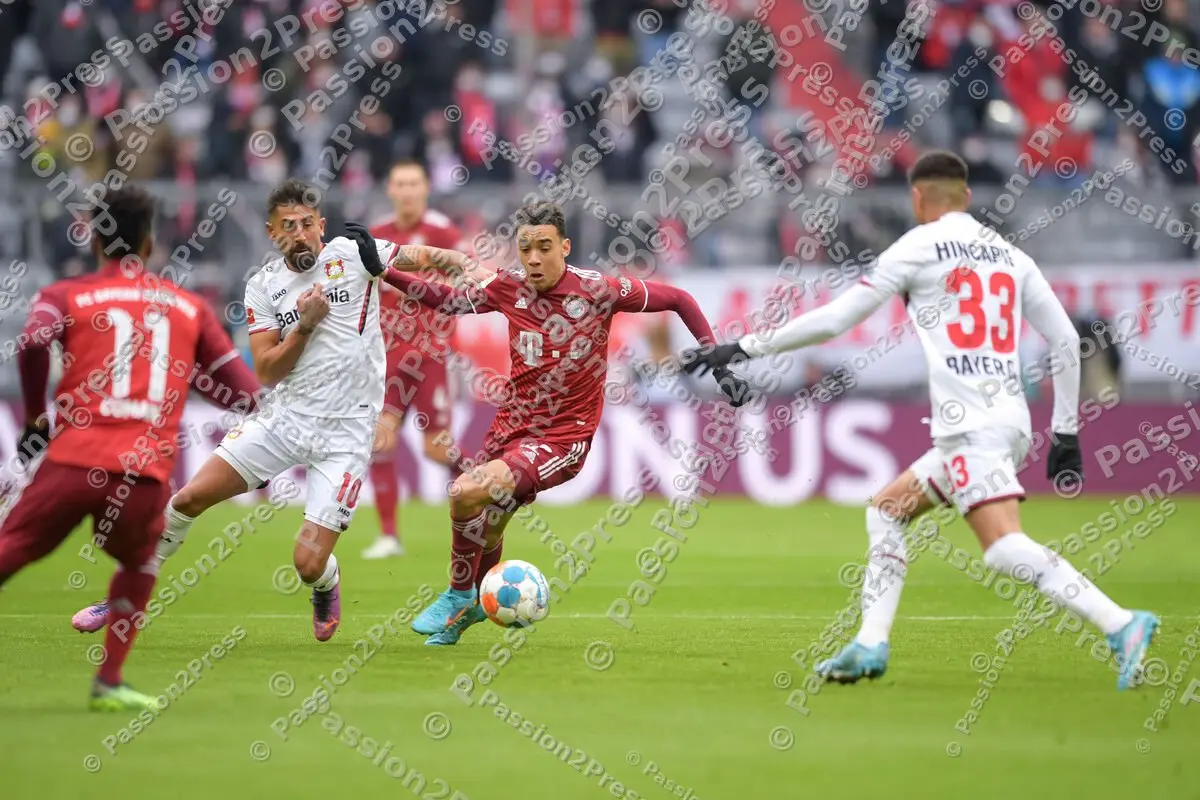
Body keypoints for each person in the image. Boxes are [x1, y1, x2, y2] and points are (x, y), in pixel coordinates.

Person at [682, 151, 1159, 691]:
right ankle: (869, 643)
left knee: (1003, 548)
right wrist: (1068, 431)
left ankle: (1121, 623)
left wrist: (742, 347)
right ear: (967, 197)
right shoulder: (1010, 255)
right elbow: (1068, 340)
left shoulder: (918, 246)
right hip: (1008, 420)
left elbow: (838, 318)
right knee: (887, 512)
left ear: (916, 198)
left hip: (971, 427)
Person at [96, 179, 475, 644]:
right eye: (286, 227)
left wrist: (465, 266)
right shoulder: (263, 286)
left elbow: (421, 257)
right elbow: (269, 369)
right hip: (285, 420)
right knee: (189, 498)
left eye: (305, 224)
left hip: (348, 432)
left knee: (307, 563)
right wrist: (304, 329)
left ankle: (326, 583)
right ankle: (124, 596)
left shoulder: (353, 254)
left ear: (321, 226)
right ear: (272, 234)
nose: (298, 234)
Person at [378, 201, 750, 646]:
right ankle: (472, 607)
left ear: (565, 247)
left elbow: (680, 299)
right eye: (525, 248)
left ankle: (459, 594)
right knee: (488, 524)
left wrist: (719, 363)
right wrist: (384, 271)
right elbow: (447, 300)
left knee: (463, 492)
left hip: (562, 439)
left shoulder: (599, 291)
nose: (533, 259)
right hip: (509, 430)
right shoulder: (508, 287)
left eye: (544, 248)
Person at [0, 184, 259, 711]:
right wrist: (186, 379)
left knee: (14, 549)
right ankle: (110, 680)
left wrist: (34, 416)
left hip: (72, 460)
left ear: (94, 239)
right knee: (140, 561)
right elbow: (244, 394)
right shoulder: (188, 307)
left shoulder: (65, 295)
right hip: (141, 473)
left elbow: (30, 343)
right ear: (149, 243)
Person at [362, 159, 471, 560]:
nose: (407, 190)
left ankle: (477, 485)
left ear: (425, 189)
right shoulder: (377, 235)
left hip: (430, 357)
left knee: (437, 449)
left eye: (413, 183)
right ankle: (389, 535)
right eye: (400, 183)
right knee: (380, 441)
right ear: (390, 189)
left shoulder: (443, 232)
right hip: (387, 358)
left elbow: (457, 286)